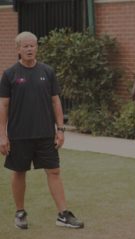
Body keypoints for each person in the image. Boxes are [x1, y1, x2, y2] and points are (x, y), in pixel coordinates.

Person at [0, 31, 84, 229]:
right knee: (19, 172)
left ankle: (63, 215)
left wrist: (60, 129)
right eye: (26, 46)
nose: (30, 49)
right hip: (19, 135)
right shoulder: (9, 74)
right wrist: (2, 135)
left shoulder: (47, 72)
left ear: (37, 47)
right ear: (18, 49)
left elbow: (56, 101)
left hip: (45, 134)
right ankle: (20, 213)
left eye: (33, 45)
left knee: (54, 171)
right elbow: (3, 106)